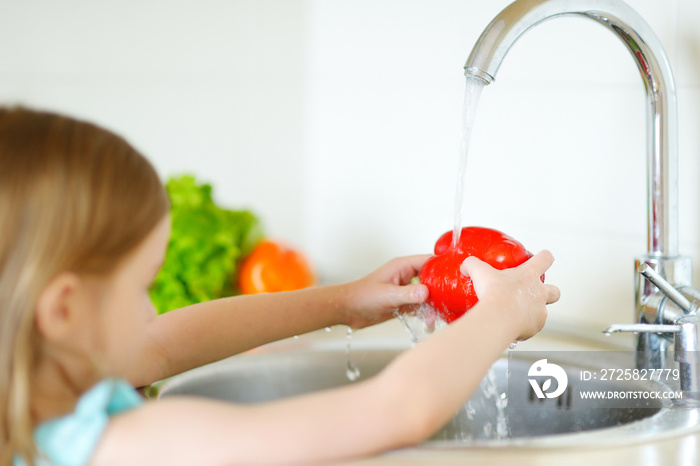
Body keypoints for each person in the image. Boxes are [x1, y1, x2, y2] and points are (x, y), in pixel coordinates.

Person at [0, 107, 560, 466]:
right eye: (141, 284)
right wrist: (503, 312)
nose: (151, 309)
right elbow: (400, 409)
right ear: (65, 310)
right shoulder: (121, 448)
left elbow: (164, 346)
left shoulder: (51, 403)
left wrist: (342, 301)